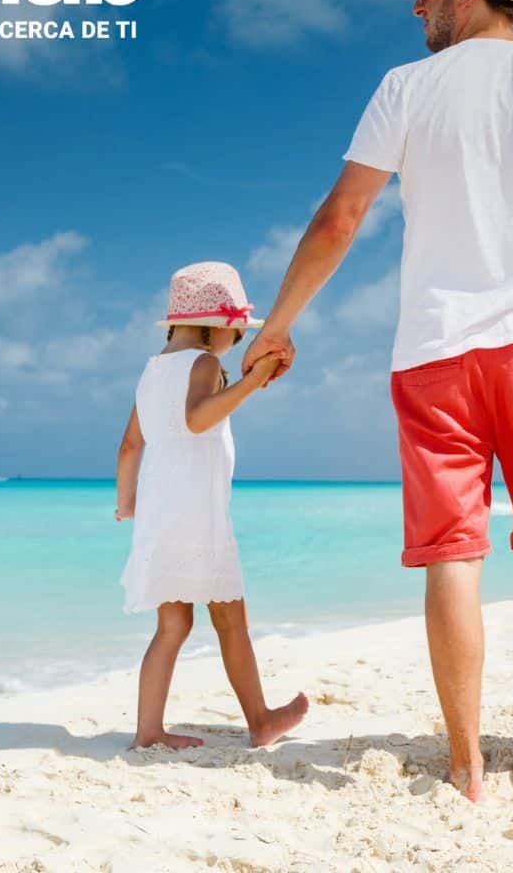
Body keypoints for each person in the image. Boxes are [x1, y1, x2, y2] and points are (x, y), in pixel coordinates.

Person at [242, 0, 513, 801]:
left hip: (433, 353)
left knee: (453, 556)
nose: (416, 4)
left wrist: (277, 323)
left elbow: (339, 218)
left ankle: (466, 763)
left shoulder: (406, 88)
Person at [115, 261, 308, 750]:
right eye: (236, 335)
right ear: (214, 327)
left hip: (161, 512)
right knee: (230, 621)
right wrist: (250, 384)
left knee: (173, 624)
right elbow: (198, 419)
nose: (235, 343)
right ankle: (261, 719)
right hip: (196, 514)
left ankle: (148, 731)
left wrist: (127, 503)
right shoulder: (202, 365)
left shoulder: (151, 371)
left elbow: (130, 445)